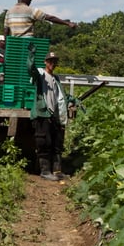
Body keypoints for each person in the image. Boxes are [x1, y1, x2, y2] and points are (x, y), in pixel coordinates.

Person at [27, 43, 72, 181]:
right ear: (45, 62)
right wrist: (31, 56)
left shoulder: (56, 79)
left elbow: (60, 96)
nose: (53, 64)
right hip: (42, 114)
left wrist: (72, 100)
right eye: (50, 61)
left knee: (57, 143)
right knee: (43, 143)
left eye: (55, 62)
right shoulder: (40, 75)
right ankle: (45, 171)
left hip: (54, 115)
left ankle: (57, 171)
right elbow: (30, 69)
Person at [4, 0, 77, 38]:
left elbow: (6, 31)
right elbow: (50, 18)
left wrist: (7, 47)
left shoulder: (9, 12)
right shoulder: (30, 10)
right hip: (27, 45)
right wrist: (67, 23)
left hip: (14, 46)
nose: (30, 1)